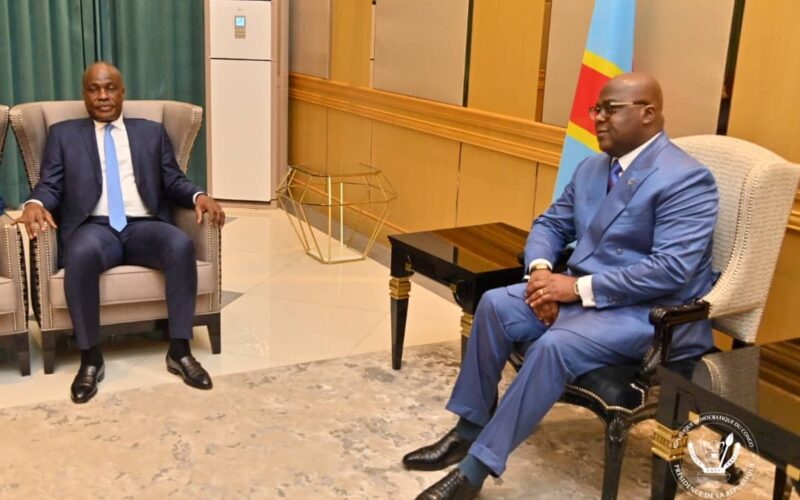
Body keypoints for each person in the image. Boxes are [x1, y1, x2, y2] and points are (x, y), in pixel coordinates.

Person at [402, 73, 719, 499]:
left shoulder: (686, 179)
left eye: (610, 109)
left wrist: (574, 289)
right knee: (495, 304)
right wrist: (539, 275)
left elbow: (670, 270)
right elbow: (551, 224)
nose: (598, 118)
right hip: (583, 294)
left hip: (646, 314)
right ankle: (468, 428)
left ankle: (474, 472)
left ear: (648, 114)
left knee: (555, 346)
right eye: (596, 109)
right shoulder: (592, 168)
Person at [15, 62, 226, 404]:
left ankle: (180, 350)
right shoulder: (64, 135)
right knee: (80, 254)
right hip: (94, 228)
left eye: (110, 88)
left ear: (122, 92)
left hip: (144, 225)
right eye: (94, 89)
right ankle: (90, 358)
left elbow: (173, 179)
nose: (103, 96)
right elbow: (50, 185)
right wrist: (34, 203)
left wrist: (199, 195)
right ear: (84, 95)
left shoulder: (151, 132)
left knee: (179, 245)